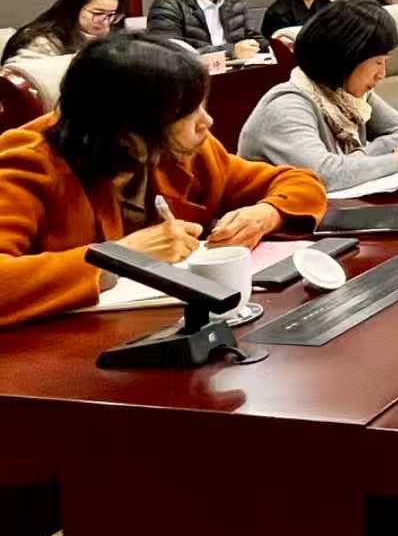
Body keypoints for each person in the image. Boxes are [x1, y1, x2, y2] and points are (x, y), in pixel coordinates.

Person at [0, 33, 326, 328]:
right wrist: (119, 256)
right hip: (59, 351)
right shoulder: (30, 161)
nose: (208, 121)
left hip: (165, 327)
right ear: (127, 128)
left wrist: (266, 214)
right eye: (188, 113)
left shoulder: (179, 149)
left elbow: (296, 181)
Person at [239, 0, 398, 192]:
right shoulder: (286, 106)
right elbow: (323, 175)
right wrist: (397, 159)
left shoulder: (349, 95)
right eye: (377, 62)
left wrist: (359, 157)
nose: (382, 74)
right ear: (346, 58)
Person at [2, 0, 124, 62]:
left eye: (110, 15)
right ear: (75, 8)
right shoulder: (42, 42)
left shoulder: (108, 36)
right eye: (97, 13)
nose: (104, 21)